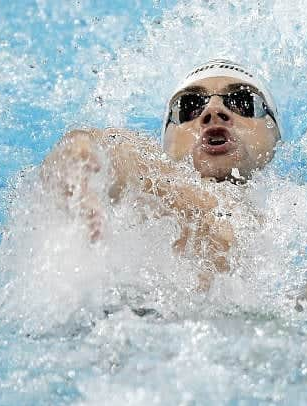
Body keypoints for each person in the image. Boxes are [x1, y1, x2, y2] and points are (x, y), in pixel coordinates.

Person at [40, 59, 281, 290]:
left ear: (276, 136)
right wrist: (79, 157)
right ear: (166, 144)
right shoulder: (160, 188)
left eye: (243, 101)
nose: (213, 110)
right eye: (189, 107)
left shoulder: (301, 232)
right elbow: (118, 151)